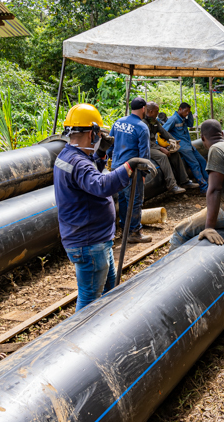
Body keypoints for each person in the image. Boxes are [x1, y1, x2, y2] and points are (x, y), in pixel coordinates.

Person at [54, 103, 156, 311]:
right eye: (99, 133)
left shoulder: (68, 156)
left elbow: (88, 178)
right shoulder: (79, 163)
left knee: (110, 290)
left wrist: (100, 155)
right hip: (89, 242)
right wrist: (129, 165)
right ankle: (79, 337)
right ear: (92, 133)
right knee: (90, 300)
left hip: (95, 238)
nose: (101, 136)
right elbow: (100, 185)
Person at [169, 119, 224, 250]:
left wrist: (209, 228)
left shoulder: (216, 150)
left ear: (202, 138)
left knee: (180, 231)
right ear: (222, 134)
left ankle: (173, 267)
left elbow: (215, 189)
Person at [110, 97, 154, 245]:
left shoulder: (118, 122)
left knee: (122, 200)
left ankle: (125, 230)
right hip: (131, 171)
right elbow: (144, 155)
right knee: (135, 201)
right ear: (143, 109)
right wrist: (143, 174)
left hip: (116, 169)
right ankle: (134, 232)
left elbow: (110, 144)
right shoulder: (141, 127)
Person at [143, 102, 195, 194]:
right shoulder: (143, 123)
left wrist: (174, 141)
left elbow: (163, 132)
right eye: (156, 111)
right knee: (163, 156)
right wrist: (160, 149)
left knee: (175, 153)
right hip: (146, 146)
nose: (158, 113)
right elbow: (146, 141)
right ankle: (172, 185)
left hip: (153, 145)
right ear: (150, 111)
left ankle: (184, 181)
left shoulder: (154, 121)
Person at [163, 102, 209, 193]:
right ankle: (204, 188)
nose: (187, 113)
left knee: (202, 161)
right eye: (186, 111)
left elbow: (190, 124)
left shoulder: (183, 119)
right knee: (194, 164)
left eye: (189, 111)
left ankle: (210, 182)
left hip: (188, 145)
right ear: (180, 109)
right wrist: (168, 144)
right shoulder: (173, 119)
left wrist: (190, 114)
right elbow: (163, 131)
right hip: (182, 146)